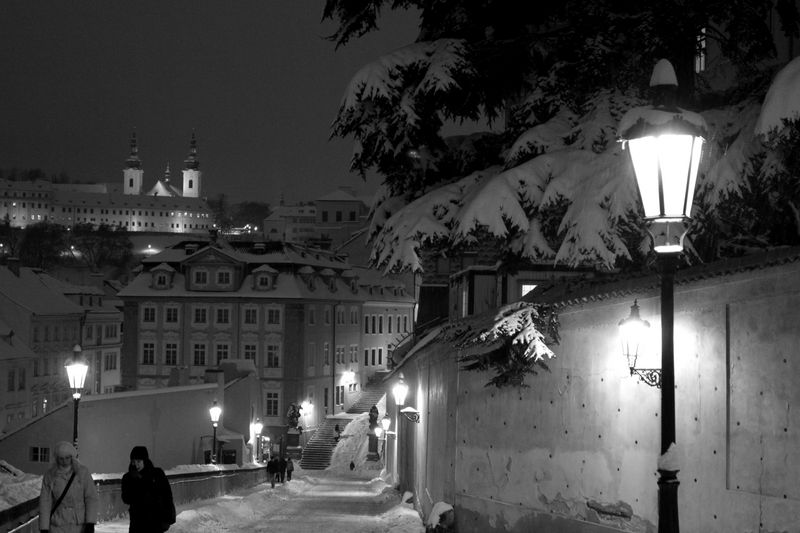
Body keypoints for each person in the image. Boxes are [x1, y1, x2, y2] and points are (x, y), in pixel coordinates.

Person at [38, 441, 98, 533]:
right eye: (61, 458)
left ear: (72, 457)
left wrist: (90, 522)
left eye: (67, 458)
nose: (64, 461)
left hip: (79, 525)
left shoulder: (82, 473)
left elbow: (91, 498)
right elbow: (45, 502)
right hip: (57, 525)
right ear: (57, 459)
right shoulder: (50, 476)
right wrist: (44, 528)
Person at [121, 446, 176, 532]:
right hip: (137, 523)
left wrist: (168, 517)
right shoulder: (128, 477)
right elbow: (126, 498)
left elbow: (167, 495)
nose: (136, 464)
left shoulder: (157, 474)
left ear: (145, 461)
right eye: (133, 461)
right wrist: (136, 481)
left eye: (139, 461)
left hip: (156, 522)